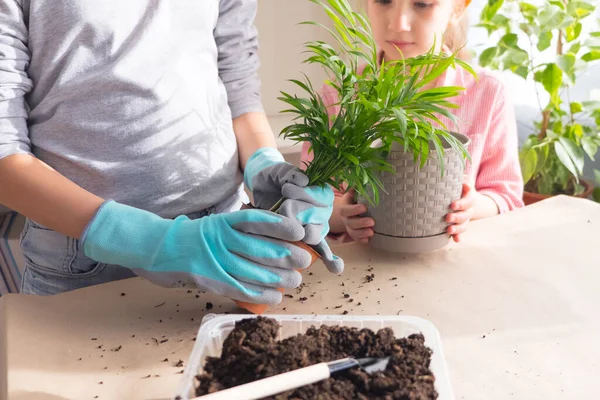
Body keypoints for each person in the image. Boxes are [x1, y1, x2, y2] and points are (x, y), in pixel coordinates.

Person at [0, 0, 343, 303]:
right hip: (85, 265)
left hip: (224, 240)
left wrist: (262, 160)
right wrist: (156, 242)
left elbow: (236, 81)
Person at [301, 0, 524, 244]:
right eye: (384, 1)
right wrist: (343, 215)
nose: (398, 24)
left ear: (458, 9)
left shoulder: (487, 94)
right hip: (362, 271)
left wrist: (472, 207)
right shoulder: (339, 95)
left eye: (422, 4)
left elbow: (506, 196)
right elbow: (305, 203)